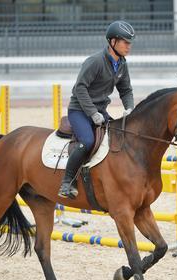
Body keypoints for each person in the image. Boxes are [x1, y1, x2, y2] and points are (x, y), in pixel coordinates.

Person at [58, 20, 135, 199]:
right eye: (125, 42)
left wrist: (130, 108)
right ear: (113, 42)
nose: (129, 46)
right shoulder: (95, 61)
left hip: (100, 111)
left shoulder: (122, 64)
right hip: (79, 111)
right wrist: (92, 113)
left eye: (130, 43)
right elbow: (80, 88)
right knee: (87, 141)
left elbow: (126, 90)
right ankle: (67, 182)